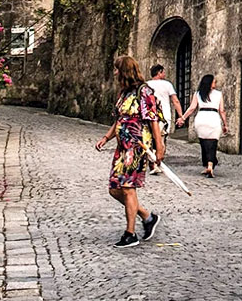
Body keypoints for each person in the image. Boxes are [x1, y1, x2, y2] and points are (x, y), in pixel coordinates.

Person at [94, 55, 166, 248]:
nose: (115, 72)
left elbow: (153, 120)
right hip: (122, 148)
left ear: (124, 70)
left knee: (127, 188)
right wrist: (106, 138)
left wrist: (159, 147)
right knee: (114, 189)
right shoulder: (125, 93)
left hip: (137, 147)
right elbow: (119, 120)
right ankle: (147, 216)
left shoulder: (144, 91)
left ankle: (130, 233)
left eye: (117, 69)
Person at [177, 73, 228, 178]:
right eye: (214, 81)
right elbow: (222, 110)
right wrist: (225, 124)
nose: (215, 83)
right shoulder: (218, 94)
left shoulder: (198, 93)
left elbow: (192, 108)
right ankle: (210, 165)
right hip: (213, 118)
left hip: (201, 118)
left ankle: (206, 165)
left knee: (204, 142)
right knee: (212, 143)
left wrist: (183, 118)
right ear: (210, 83)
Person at [146, 63, 182, 134]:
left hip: (149, 115)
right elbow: (175, 101)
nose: (165, 74)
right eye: (163, 72)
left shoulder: (146, 85)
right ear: (159, 72)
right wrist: (181, 116)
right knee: (162, 139)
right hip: (164, 115)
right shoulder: (167, 84)